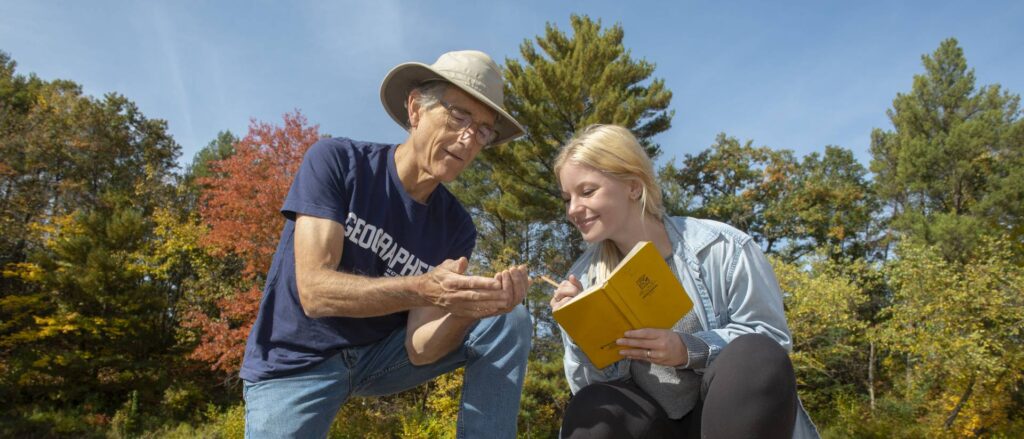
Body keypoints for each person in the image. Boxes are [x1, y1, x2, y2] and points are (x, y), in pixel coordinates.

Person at [240, 50, 533, 438]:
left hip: (379, 359)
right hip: (295, 362)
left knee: (508, 320)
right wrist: (424, 288)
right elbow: (315, 292)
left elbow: (420, 350)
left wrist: (468, 307)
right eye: (459, 115)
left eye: (482, 130)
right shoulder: (337, 163)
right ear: (415, 109)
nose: (467, 138)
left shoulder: (457, 226)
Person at [549, 124, 819, 438]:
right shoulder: (582, 279)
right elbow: (591, 386)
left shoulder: (722, 247)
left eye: (587, 191)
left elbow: (771, 341)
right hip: (650, 425)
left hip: (730, 417)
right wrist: (579, 333)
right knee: (592, 404)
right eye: (567, 198)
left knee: (755, 355)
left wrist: (688, 349)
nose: (572, 210)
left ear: (633, 186)